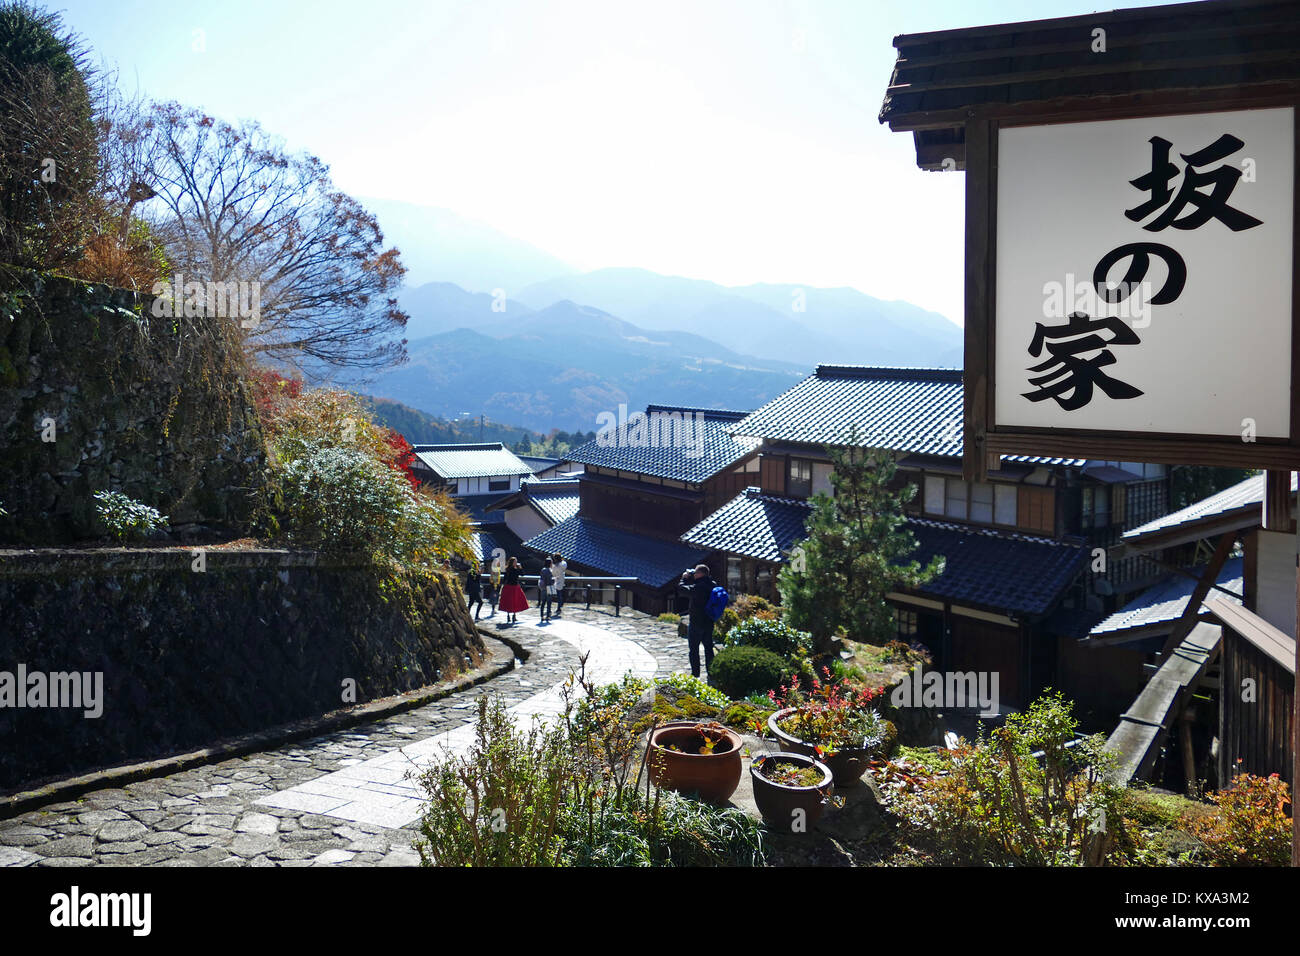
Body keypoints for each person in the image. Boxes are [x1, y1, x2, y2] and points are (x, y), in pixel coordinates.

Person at [678, 563, 717, 679]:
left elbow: (682, 590)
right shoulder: (713, 585)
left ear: (700, 574)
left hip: (696, 622)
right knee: (708, 649)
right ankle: (711, 673)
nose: (694, 574)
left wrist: (684, 579)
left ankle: (695, 674)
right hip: (709, 622)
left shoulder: (698, 587)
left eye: (695, 572)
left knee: (694, 649)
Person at [498, 556, 529, 624]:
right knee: (514, 601)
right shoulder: (515, 569)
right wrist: (520, 567)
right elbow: (522, 574)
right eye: (515, 562)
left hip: (509, 586)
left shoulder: (507, 569)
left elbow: (505, 579)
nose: (516, 563)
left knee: (509, 601)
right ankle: (513, 616)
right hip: (513, 587)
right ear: (512, 562)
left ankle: (510, 615)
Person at [537, 558, 555, 623]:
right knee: (549, 602)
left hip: (543, 587)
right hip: (549, 587)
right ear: (550, 563)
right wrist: (554, 580)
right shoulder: (550, 570)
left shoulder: (543, 570)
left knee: (543, 602)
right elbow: (550, 580)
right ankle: (548, 616)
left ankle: (542, 616)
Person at [551, 552, 568, 616]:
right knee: (560, 594)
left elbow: (553, 574)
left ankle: (557, 608)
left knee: (556, 595)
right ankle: (559, 607)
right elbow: (564, 564)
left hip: (556, 580)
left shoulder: (555, 566)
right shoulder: (563, 564)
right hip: (562, 579)